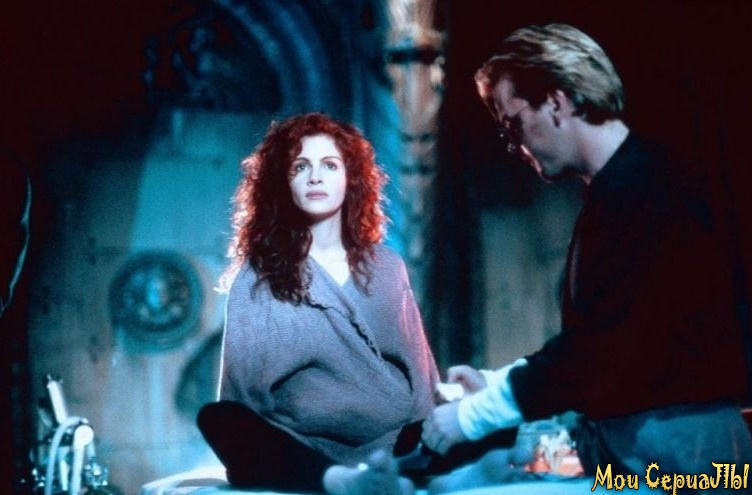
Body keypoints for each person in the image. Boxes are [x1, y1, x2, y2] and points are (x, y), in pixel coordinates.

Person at [419, 23, 752, 493]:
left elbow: (598, 353)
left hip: (683, 457)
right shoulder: (619, 189)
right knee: (462, 483)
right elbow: (601, 341)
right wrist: (494, 385)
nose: (515, 146)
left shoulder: (645, 191)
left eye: (513, 124)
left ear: (556, 104)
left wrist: (473, 415)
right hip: (637, 444)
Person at [197, 113, 439, 494]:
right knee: (219, 418)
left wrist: (435, 436)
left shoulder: (388, 268)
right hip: (299, 449)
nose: (315, 177)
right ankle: (344, 482)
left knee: (471, 425)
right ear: (282, 183)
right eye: (300, 167)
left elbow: (423, 381)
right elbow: (239, 398)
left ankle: (395, 472)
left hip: (392, 441)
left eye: (329, 165)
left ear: (350, 178)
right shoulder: (258, 276)